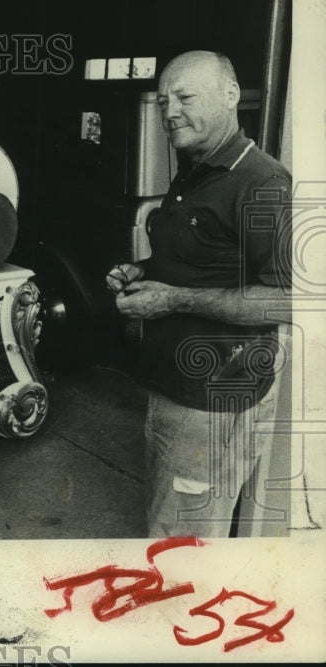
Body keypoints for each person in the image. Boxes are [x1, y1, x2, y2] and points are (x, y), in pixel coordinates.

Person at [105, 50, 291, 538]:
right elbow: (198, 263)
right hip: (175, 388)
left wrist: (173, 299)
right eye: (163, 101)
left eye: (185, 97)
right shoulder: (195, 169)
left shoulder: (262, 181)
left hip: (215, 402)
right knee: (169, 525)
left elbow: (286, 299)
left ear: (230, 95)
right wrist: (142, 271)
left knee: (184, 542)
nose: (169, 111)